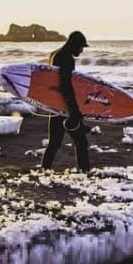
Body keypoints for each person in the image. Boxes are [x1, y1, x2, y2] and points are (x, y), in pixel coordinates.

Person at [40, 30, 91, 172]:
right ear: (74, 44)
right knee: (81, 142)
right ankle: (84, 173)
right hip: (65, 107)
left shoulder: (55, 55)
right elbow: (66, 85)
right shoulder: (66, 58)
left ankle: (44, 170)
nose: (81, 51)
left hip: (55, 106)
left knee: (54, 143)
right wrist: (74, 111)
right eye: (81, 47)